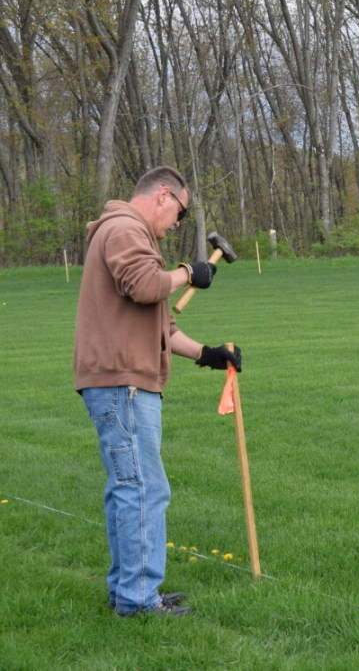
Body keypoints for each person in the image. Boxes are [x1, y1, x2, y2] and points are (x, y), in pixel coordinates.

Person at [74, 165, 242, 618]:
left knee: (128, 488)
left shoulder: (133, 237)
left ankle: (128, 590)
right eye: (180, 214)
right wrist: (190, 271)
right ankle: (138, 601)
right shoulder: (125, 228)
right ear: (163, 195)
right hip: (122, 382)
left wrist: (207, 353)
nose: (177, 225)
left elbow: (163, 326)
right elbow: (147, 286)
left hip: (122, 380)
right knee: (144, 488)